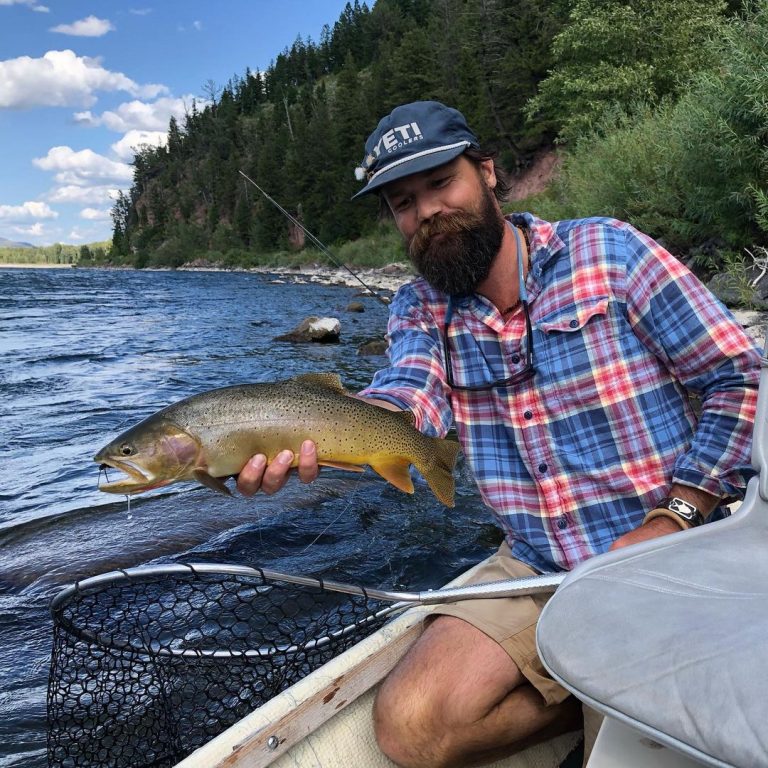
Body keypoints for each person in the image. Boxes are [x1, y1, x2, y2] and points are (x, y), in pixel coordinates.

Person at [237, 101, 761, 767]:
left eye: (439, 184)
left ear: (487, 173)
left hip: (677, 550)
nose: (425, 212)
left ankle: (610, 689)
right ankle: (585, 691)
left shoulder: (610, 252)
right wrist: (299, 434)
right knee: (412, 727)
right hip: (540, 563)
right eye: (403, 202)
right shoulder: (420, 307)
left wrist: (676, 514)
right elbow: (408, 401)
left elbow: (741, 377)